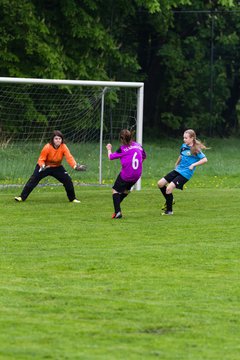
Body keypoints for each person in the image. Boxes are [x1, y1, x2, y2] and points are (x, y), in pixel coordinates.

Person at [15, 130, 86, 203]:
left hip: (57, 167)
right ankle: (21, 197)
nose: (58, 140)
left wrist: (75, 166)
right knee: (33, 180)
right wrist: (42, 166)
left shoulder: (63, 147)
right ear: (52, 139)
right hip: (45, 167)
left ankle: (73, 199)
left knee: (68, 181)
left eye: (59, 139)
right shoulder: (47, 147)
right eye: (56, 138)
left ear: (62, 140)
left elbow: (69, 157)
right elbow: (41, 159)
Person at [158, 129, 208, 215]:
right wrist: (176, 163)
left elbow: (205, 159)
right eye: (183, 137)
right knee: (160, 183)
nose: (184, 139)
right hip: (178, 170)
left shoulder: (195, 149)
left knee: (169, 188)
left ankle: (169, 211)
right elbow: (181, 155)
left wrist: (193, 165)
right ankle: (170, 199)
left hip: (186, 173)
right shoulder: (184, 146)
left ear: (192, 138)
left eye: (186, 138)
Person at [106, 129, 146, 219]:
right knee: (126, 190)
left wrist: (109, 149)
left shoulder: (122, 148)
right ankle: (117, 205)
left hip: (126, 175)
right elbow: (144, 156)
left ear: (121, 139)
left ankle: (117, 212)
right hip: (137, 175)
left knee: (115, 191)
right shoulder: (138, 146)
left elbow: (110, 157)